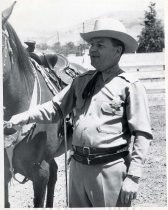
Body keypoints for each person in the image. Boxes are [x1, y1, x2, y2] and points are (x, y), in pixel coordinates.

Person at [8, 18, 153, 207]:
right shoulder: (80, 81)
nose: (92, 50)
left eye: (99, 45)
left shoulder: (130, 86)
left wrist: (133, 176)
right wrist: (22, 117)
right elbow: (55, 108)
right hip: (77, 168)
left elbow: (142, 134)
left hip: (109, 169)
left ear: (117, 51)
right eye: (92, 44)